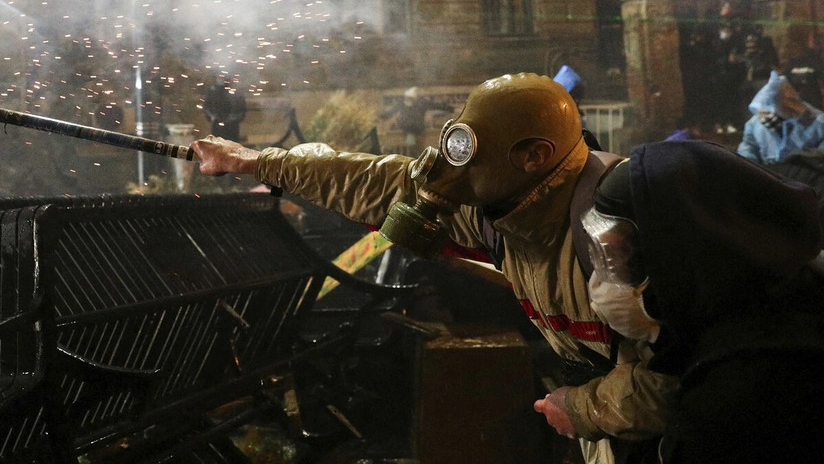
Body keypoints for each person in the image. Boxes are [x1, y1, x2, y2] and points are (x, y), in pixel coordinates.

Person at [191, 72, 677, 464]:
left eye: (473, 156)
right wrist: (254, 161)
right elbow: (374, 182)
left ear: (535, 156)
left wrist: (579, 407)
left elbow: (679, 379)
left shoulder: (615, 234)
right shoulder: (506, 208)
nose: (451, 172)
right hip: (611, 432)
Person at [570, 139, 824, 462]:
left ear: (682, 251)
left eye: (621, 258)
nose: (603, 284)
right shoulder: (790, 286)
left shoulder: (730, 397)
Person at [737, 69, 824, 163]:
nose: (762, 118)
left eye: (767, 112)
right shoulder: (754, 125)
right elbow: (747, 149)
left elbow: (819, 157)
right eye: (760, 113)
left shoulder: (818, 122)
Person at [202, 77, 247, 142]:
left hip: (232, 128)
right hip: (218, 127)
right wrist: (212, 117)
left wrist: (232, 119)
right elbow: (207, 108)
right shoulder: (213, 93)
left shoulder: (237, 94)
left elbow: (242, 111)